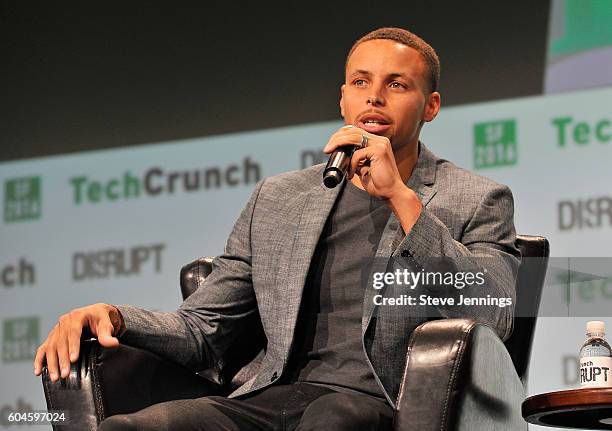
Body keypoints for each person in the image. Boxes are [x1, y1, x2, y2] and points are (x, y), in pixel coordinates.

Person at [34, 27, 521, 431]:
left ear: (430, 106)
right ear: (343, 100)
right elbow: (202, 329)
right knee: (129, 429)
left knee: (334, 417)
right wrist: (114, 315)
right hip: (273, 399)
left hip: (385, 408)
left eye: (397, 85)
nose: (374, 96)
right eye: (359, 82)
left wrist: (402, 198)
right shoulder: (280, 198)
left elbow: (495, 313)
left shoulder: (475, 198)